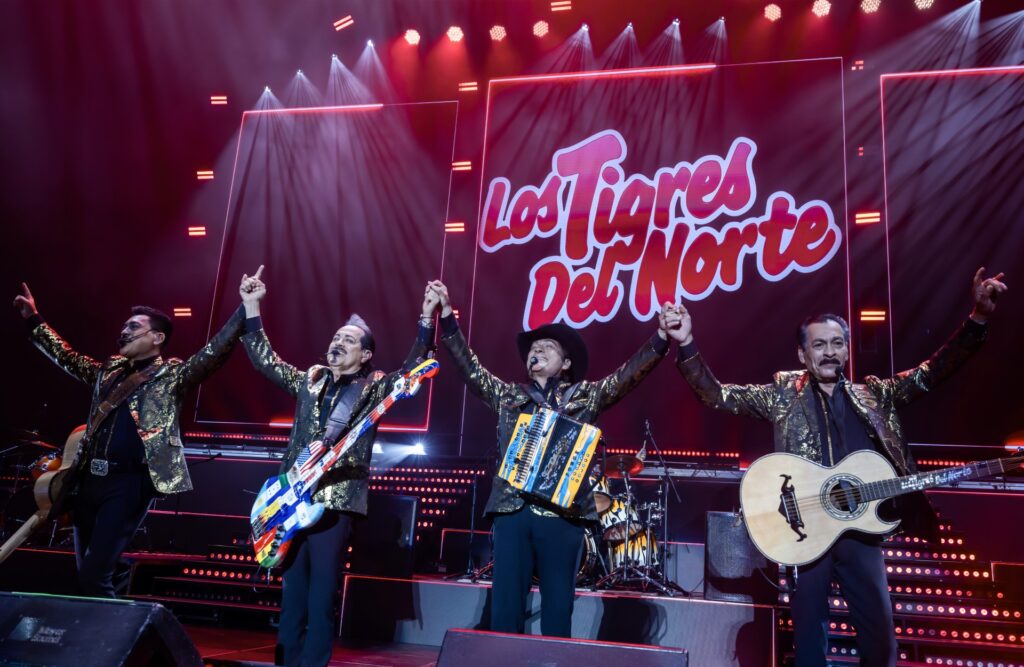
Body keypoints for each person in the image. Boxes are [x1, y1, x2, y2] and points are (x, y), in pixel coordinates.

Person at [664, 267, 1007, 666]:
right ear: (802, 354)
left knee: (881, 643)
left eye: (837, 343)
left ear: (846, 351)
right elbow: (718, 396)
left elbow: (932, 373)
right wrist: (685, 343)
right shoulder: (783, 395)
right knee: (810, 645)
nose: (829, 352)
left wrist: (977, 318)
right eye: (819, 344)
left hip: (861, 534)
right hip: (807, 534)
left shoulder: (874, 395)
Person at [422, 279, 678, 638]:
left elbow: (626, 377)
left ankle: (553, 660)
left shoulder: (585, 397)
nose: (537, 350)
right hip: (513, 510)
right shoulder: (510, 395)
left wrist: (661, 338)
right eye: (533, 347)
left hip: (563, 515)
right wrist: (448, 316)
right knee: (505, 607)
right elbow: (469, 368)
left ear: (566, 363)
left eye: (547, 347)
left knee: (558, 609)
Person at [238, 269, 432, 667]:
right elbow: (264, 361)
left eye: (349, 340)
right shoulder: (311, 380)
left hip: (334, 502)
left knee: (321, 595)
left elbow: (413, 369)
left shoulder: (374, 385)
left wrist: (427, 319)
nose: (338, 342)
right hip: (292, 500)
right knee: (293, 596)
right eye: (336, 337)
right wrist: (252, 307)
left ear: (366, 355)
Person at [13, 280, 247, 597]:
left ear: (157, 338)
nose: (124, 331)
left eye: (134, 327)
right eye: (124, 326)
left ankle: (111, 627)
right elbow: (67, 357)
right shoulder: (109, 370)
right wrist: (34, 318)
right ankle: (101, 621)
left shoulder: (171, 375)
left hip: (128, 485)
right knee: (87, 576)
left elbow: (213, 352)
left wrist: (246, 308)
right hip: (88, 482)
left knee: (94, 576)